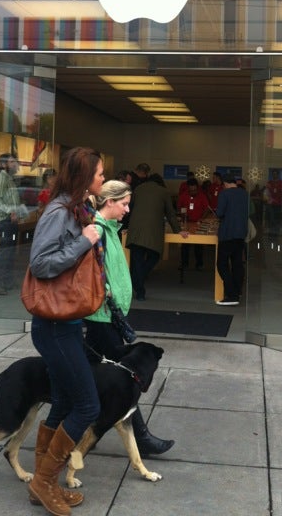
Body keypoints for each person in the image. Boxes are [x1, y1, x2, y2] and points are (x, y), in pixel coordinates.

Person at [27, 146, 105, 514]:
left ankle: (43, 484)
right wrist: (84, 242)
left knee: (63, 402)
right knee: (87, 405)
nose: (103, 179)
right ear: (84, 177)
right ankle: (43, 482)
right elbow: (41, 264)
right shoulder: (59, 212)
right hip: (54, 327)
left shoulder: (76, 209)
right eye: (100, 174)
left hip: (66, 325)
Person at [84, 179, 175, 456]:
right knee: (126, 379)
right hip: (102, 318)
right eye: (124, 204)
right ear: (109, 202)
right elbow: (93, 275)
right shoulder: (98, 231)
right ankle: (142, 438)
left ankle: (84, 427)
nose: (127, 210)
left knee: (96, 378)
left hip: (109, 316)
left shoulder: (109, 230)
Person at [125, 173, 186, 301]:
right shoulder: (164, 192)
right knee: (154, 256)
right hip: (153, 233)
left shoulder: (138, 189)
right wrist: (178, 231)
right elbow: (170, 214)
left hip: (135, 231)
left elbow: (129, 208)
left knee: (137, 261)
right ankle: (139, 285)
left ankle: (138, 287)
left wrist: (125, 226)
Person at [0, 153, 22, 295]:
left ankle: (7, 281)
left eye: (15, 162)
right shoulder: (2, 178)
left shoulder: (10, 179)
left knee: (9, 252)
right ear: (4, 164)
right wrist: (10, 211)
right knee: (3, 253)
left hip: (12, 220)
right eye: (11, 162)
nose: (14, 164)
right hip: (5, 220)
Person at [215, 174, 249, 306]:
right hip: (240, 233)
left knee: (222, 264)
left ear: (225, 184)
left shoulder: (225, 194)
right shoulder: (245, 194)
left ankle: (232, 294)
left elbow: (220, 213)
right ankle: (238, 290)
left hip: (227, 233)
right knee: (237, 264)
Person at [177, 177, 211, 270]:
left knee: (199, 245)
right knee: (185, 245)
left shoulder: (202, 195)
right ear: (188, 188)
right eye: (191, 190)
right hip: (187, 223)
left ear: (198, 188)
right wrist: (183, 215)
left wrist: (201, 219)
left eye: (195, 190)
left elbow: (207, 209)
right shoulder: (183, 195)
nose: (193, 192)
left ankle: (199, 264)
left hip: (198, 223)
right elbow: (179, 207)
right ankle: (184, 263)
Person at [264, 170, 282, 237]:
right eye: (273, 174)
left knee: (277, 220)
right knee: (271, 219)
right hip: (271, 204)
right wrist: (268, 199)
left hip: (279, 204)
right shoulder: (269, 183)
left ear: (278, 175)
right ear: (272, 175)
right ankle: (271, 234)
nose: (274, 175)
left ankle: (276, 234)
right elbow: (266, 193)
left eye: (276, 174)